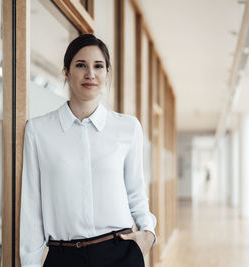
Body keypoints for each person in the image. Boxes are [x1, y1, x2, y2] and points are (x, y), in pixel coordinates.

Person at [20, 34, 157, 267]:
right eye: (81, 65)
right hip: (64, 257)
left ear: (106, 73)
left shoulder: (128, 128)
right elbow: (32, 206)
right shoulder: (38, 131)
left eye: (98, 66)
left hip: (120, 253)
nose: (90, 73)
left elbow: (135, 190)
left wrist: (148, 233)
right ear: (66, 72)